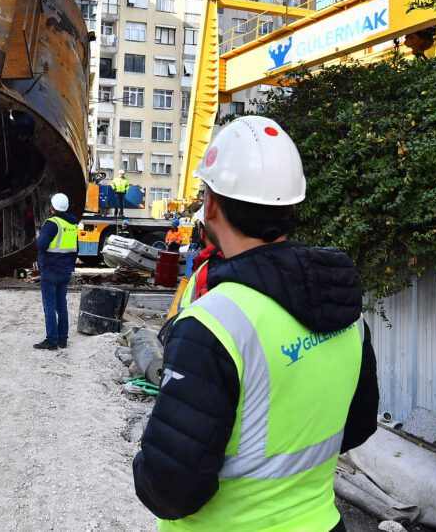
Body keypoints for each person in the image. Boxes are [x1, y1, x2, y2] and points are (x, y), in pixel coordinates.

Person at [133, 116, 379, 531]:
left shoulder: (213, 325)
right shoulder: (343, 309)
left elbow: (169, 489)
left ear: (210, 205)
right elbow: (357, 426)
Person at [34, 193, 79, 350]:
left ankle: (51, 341)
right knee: (62, 306)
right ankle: (62, 340)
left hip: (50, 270)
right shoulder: (73, 224)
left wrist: (38, 237)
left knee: (49, 307)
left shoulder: (52, 223)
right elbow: (75, 250)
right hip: (65, 271)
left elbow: (41, 245)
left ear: (52, 207)